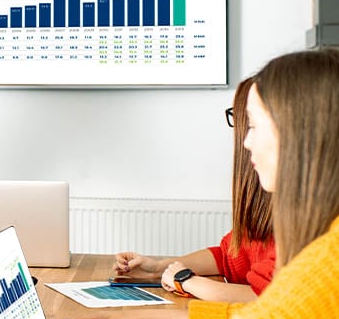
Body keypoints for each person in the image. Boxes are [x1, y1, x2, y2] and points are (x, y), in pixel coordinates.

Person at [61, 49, 339, 319]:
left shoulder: (329, 267)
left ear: (299, 133)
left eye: (254, 125)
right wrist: (145, 318)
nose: (246, 142)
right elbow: (266, 318)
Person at [114, 78, 275, 302]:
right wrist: (159, 267)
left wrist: (187, 280)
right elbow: (227, 257)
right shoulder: (265, 208)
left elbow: (268, 298)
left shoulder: (299, 223)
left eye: (252, 124)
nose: (245, 141)